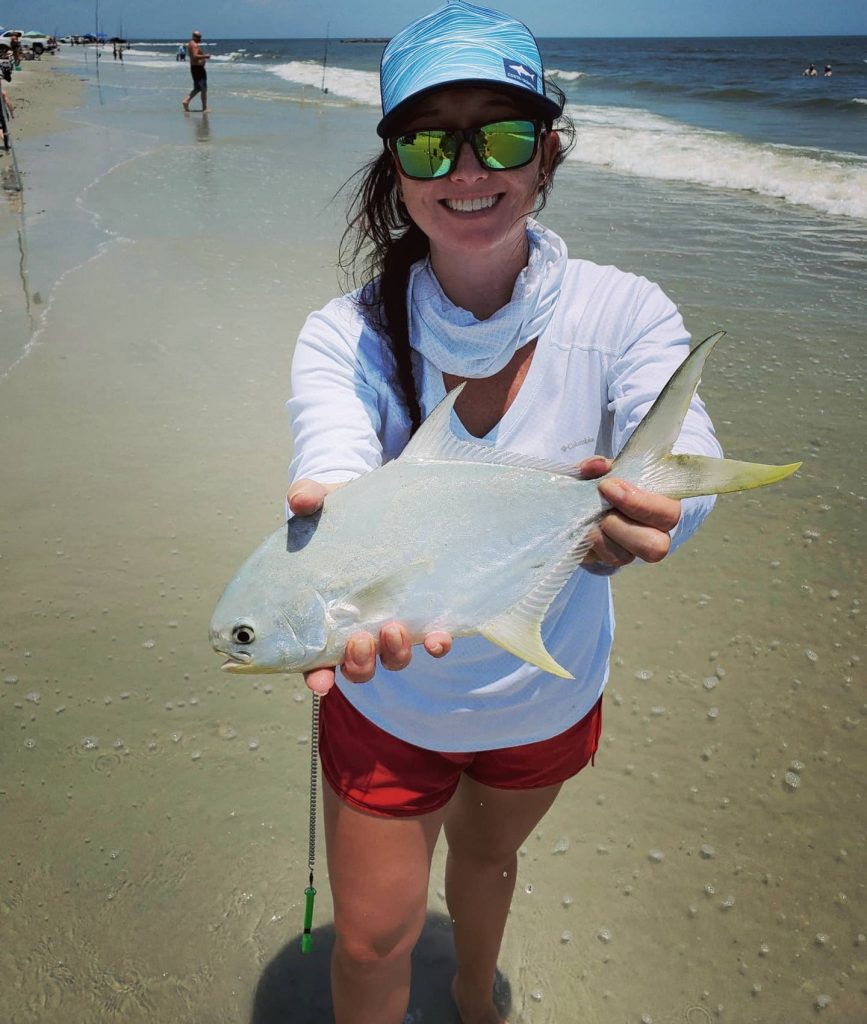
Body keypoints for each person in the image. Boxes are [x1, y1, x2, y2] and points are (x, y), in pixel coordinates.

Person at [285, 3, 721, 1022]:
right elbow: (333, 467)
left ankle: (478, 1003)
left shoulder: (623, 311)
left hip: (547, 694)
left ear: (548, 153)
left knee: (486, 868)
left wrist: (642, 523)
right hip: (389, 698)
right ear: (397, 168)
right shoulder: (340, 336)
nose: (469, 170)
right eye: (431, 141)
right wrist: (329, 533)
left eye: (506, 134)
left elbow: (684, 456)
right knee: (371, 936)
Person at [181, 30, 209, 112]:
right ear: (193, 36)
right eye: (198, 37)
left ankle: (186, 101)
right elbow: (194, 56)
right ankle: (204, 108)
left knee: (197, 88)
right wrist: (205, 56)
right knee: (203, 88)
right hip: (198, 69)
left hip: (195, 68)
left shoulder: (191, 44)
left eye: (200, 37)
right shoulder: (194, 45)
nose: (200, 38)